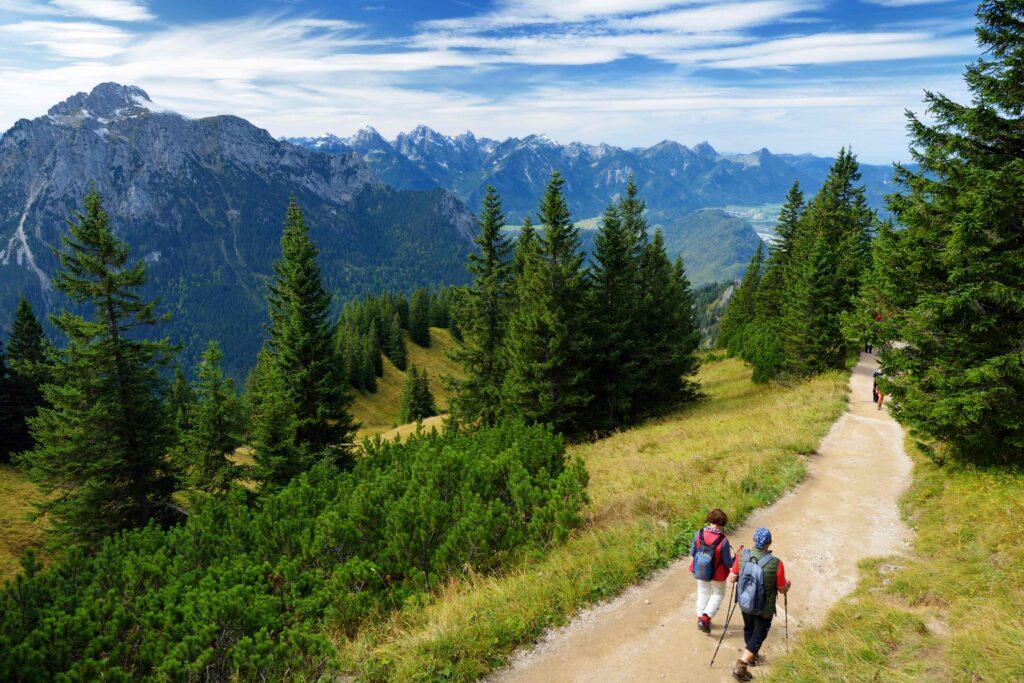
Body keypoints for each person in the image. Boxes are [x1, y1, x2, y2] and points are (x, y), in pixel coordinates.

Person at [727, 527, 791, 682]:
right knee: (759, 633)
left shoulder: (742, 555)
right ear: (769, 543)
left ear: (754, 540)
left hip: (745, 602)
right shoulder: (776, 563)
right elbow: (782, 589)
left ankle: (752, 657)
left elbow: (731, 579)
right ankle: (741, 665)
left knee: (749, 628)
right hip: (765, 607)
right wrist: (788, 585)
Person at [688, 509, 734, 633]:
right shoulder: (723, 541)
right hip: (717, 575)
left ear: (710, 520)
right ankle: (705, 618)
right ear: (722, 524)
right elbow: (728, 563)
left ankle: (700, 619)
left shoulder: (699, 533)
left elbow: (692, 552)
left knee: (703, 592)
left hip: (700, 570)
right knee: (718, 595)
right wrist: (736, 558)